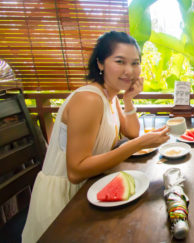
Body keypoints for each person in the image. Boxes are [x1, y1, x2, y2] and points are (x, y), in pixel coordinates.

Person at [22, 31, 170, 242]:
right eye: (120, 61)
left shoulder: (111, 96)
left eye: (135, 63)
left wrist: (128, 99)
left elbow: (132, 132)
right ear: (100, 63)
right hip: (64, 201)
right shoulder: (89, 99)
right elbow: (76, 171)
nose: (130, 70)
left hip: (90, 189)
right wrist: (139, 144)